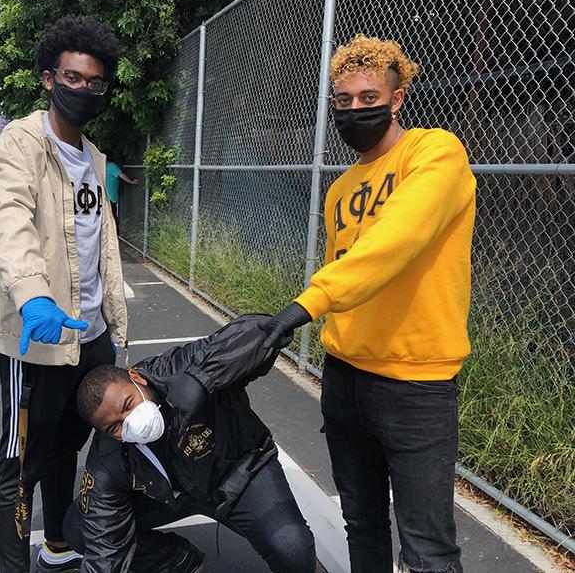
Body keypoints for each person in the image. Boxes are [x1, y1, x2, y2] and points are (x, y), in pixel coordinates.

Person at [259, 36, 476, 573]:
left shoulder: (434, 153)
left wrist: (307, 305)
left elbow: (396, 241)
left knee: (427, 548)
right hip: (345, 376)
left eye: (368, 96)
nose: (355, 108)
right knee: (362, 523)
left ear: (398, 97)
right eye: (344, 100)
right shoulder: (339, 191)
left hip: (415, 384)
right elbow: (352, 268)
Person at [0, 14, 128, 573]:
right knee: (21, 464)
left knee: (70, 445)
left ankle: (59, 545)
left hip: (88, 336)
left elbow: (100, 246)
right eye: (73, 79)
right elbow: (9, 221)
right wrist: (32, 295)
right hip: (36, 336)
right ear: (49, 78)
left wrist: (113, 321)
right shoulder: (20, 144)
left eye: (95, 82)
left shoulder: (94, 158)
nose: (84, 90)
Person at [63, 315, 316, 573]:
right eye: (114, 427)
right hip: (174, 496)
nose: (129, 422)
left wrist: (203, 377)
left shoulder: (178, 368)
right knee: (79, 528)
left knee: (292, 551)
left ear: (136, 379)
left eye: (128, 405)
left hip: (240, 475)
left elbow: (261, 329)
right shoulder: (108, 456)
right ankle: (178, 558)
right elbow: (103, 549)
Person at [105, 159, 138, 233]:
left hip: (110, 197)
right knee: (108, 217)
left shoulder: (111, 166)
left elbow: (121, 175)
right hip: (104, 197)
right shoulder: (101, 166)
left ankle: (115, 235)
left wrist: (131, 181)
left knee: (112, 217)